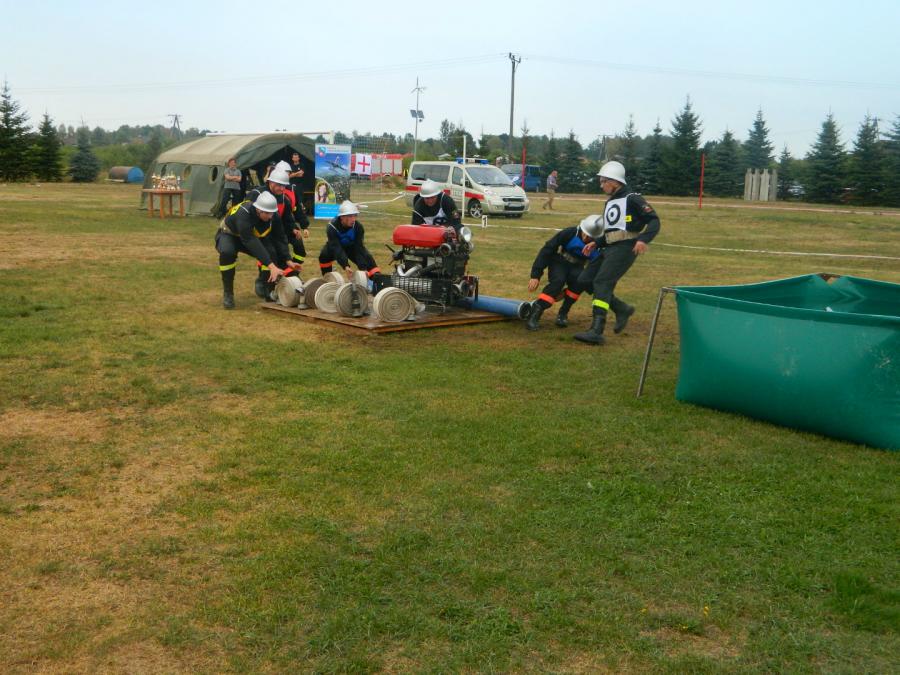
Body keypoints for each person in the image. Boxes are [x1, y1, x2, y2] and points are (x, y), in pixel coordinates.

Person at [573, 161, 660, 345]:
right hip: (609, 247)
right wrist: (596, 243)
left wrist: (643, 239)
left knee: (602, 282)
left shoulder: (633, 198)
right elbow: (613, 230)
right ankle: (621, 309)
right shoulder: (610, 202)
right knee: (585, 280)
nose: (601, 185)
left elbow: (654, 220)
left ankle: (596, 330)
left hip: (625, 248)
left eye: (603, 181)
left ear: (614, 181)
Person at [525, 215, 603, 330]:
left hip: (578, 266)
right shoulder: (569, 233)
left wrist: (591, 287)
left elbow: (598, 268)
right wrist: (535, 275)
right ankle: (535, 314)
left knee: (580, 283)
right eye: (585, 234)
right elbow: (547, 249)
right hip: (560, 262)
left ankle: (563, 314)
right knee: (558, 282)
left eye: (591, 237)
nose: (587, 238)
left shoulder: (600, 245)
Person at [215, 192, 286, 309]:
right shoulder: (243, 214)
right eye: (267, 213)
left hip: (249, 236)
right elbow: (250, 241)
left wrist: (288, 259)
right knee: (227, 253)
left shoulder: (273, 215)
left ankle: (268, 290)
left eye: (272, 213)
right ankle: (228, 293)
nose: (270, 217)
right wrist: (272, 266)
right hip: (229, 234)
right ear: (258, 210)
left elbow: (280, 237)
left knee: (271, 252)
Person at [245, 168, 302, 297]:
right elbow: (247, 213)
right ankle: (263, 282)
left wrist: (293, 228)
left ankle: (288, 281)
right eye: (279, 185)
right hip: (257, 233)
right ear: (270, 182)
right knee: (269, 254)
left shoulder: (284, 199)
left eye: (284, 186)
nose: (282, 189)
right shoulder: (256, 194)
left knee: (282, 254)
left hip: (275, 230)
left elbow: (287, 218)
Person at [318, 201, 381, 280]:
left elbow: (359, 248)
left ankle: (378, 280)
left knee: (367, 258)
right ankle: (327, 279)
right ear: (342, 217)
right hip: (336, 246)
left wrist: (363, 268)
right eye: (350, 216)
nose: (353, 219)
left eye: (355, 216)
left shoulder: (358, 227)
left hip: (352, 247)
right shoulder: (332, 227)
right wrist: (346, 266)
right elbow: (336, 248)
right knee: (324, 255)